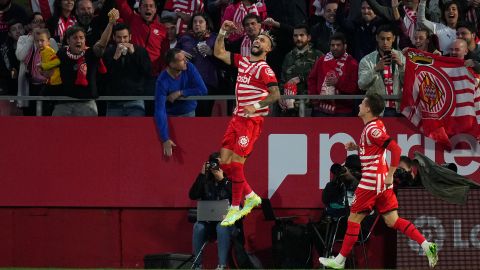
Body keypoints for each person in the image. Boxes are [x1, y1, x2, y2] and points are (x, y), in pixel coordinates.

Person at [319, 93, 438, 269]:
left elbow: (396, 149)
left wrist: (391, 174)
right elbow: (375, 148)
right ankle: (427, 245)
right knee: (392, 220)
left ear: (368, 108)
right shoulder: (375, 125)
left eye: (362, 103)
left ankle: (340, 260)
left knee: (353, 219)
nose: (359, 105)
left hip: (372, 180)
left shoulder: (371, 129)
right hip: (381, 182)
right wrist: (357, 147)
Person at [213, 20, 280, 226]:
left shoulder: (264, 69)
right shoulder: (243, 62)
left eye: (263, 40)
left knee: (236, 164)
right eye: (258, 38)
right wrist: (223, 30)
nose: (258, 40)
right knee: (224, 163)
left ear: (268, 49)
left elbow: (276, 94)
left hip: (251, 121)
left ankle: (235, 208)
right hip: (236, 118)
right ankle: (250, 195)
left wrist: (256, 105)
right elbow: (218, 52)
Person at [52, 9, 118, 116]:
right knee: (56, 132)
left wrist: (110, 24)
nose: (79, 40)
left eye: (81, 38)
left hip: (87, 104)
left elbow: (101, 44)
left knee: (88, 133)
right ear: (68, 41)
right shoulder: (61, 53)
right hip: (63, 103)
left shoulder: (91, 53)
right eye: (75, 38)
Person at [154, 48, 207, 157]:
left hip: (189, 113)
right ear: (172, 64)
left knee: (189, 148)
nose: (186, 61)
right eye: (182, 60)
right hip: (171, 116)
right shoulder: (162, 81)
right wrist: (164, 138)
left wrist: (180, 92)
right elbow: (160, 110)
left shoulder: (189, 68)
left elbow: (203, 90)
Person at [189, 152, 234, 270]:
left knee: (221, 226)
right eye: (214, 164)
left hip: (229, 224)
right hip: (208, 223)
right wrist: (202, 174)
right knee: (198, 227)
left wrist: (223, 180)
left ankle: (222, 265)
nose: (216, 167)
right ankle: (197, 265)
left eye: (219, 164)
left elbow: (237, 199)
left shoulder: (230, 180)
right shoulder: (206, 181)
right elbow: (193, 195)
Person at [101, 23, 152, 116]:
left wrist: (133, 54)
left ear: (130, 37)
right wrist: (115, 58)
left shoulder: (140, 51)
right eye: (119, 37)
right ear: (113, 37)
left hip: (135, 101)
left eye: (125, 37)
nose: (122, 40)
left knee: (135, 130)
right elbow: (105, 76)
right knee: (112, 130)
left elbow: (147, 72)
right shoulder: (108, 53)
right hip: (113, 102)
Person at [175, 13, 218, 117]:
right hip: (187, 84)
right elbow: (170, 56)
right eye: (195, 22)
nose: (197, 24)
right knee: (188, 117)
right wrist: (178, 53)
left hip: (207, 84)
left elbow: (224, 60)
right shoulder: (184, 38)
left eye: (201, 22)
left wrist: (212, 53)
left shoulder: (214, 38)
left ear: (207, 24)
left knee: (204, 118)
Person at [358, 24, 405, 117]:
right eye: (382, 39)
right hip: (376, 109)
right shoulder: (366, 60)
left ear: (393, 39)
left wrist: (401, 66)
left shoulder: (401, 58)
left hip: (398, 108)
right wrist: (375, 69)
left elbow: (408, 84)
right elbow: (361, 85)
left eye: (388, 39)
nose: (385, 42)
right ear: (377, 38)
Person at [308, 32, 359, 117]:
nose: (335, 48)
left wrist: (338, 83)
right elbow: (312, 79)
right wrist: (314, 98)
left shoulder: (352, 63)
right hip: (321, 108)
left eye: (338, 45)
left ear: (345, 46)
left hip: (343, 110)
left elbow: (354, 88)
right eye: (332, 45)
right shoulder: (321, 60)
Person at [277, 24, 321, 117]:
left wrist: (301, 78)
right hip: (289, 107)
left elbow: (322, 77)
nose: (298, 38)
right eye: (295, 35)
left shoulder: (318, 55)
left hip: (310, 106)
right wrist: (280, 96)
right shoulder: (288, 56)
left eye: (301, 35)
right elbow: (283, 80)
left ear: (308, 37)